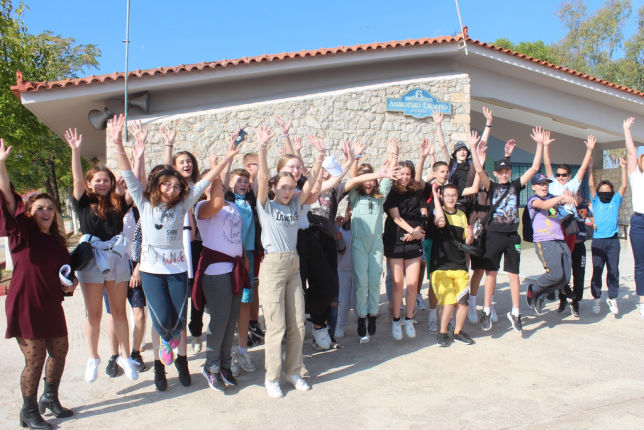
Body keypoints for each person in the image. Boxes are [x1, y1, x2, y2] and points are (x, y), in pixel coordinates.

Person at [109, 115, 235, 386]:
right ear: (158, 185)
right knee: (163, 319)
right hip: (152, 273)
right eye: (167, 184)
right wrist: (118, 143)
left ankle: (175, 347)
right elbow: (129, 174)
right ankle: (165, 343)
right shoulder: (144, 204)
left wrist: (227, 158)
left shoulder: (183, 205)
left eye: (177, 186)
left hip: (177, 270)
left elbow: (206, 181)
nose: (172, 188)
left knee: (179, 319)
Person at [1, 137, 76, 429]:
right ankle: (29, 410)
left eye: (50, 207)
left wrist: (71, 284)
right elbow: (8, 198)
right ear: (30, 213)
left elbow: (66, 274)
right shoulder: (21, 235)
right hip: (25, 304)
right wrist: (1, 165)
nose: (46, 211)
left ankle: (50, 397)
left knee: (59, 351)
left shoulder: (57, 243)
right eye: (40, 207)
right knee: (34, 359)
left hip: (50, 304)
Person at [65, 128, 139, 383]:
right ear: (89, 184)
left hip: (116, 257)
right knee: (93, 314)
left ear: (111, 182)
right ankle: (93, 357)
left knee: (119, 311)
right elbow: (76, 180)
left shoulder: (119, 202)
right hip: (91, 259)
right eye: (97, 180)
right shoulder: (83, 203)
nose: (102, 183)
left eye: (106, 179)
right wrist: (75, 151)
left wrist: (134, 155)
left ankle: (126, 357)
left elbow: (134, 184)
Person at [254, 124, 323, 398]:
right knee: (276, 326)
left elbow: (310, 182)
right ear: (274, 187)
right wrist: (262, 148)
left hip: (293, 263)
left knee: (297, 324)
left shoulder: (295, 203)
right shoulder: (265, 205)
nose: (287, 191)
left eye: (291, 188)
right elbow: (261, 178)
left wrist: (319, 157)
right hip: (272, 265)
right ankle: (271, 378)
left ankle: (293, 371)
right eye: (283, 187)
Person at [468, 127, 544, 332]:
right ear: (495, 173)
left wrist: (539, 144)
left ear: (510, 173)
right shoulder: (491, 186)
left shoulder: (516, 186)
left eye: (506, 172)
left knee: (513, 275)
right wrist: (473, 148)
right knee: (491, 274)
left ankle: (516, 312)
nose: (503, 175)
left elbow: (534, 168)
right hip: (493, 235)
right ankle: (486, 310)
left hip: (512, 236)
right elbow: (479, 170)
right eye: (500, 172)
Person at [194, 174, 247, 392]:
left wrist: (244, 260)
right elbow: (215, 202)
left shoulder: (232, 206)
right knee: (219, 320)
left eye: (220, 184)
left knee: (231, 319)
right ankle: (211, 366)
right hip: (216, 272)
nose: (218, 187)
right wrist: (220, 163)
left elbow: (237, 236)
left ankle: (225, 364)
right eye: (213, 184)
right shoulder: (202, 207)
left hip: (235, 269)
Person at [344, 142, 398, 343]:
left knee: (374, 282)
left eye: (371, 179)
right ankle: (361, 317)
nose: (368, 183)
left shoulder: (379, 196)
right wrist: (356, 158)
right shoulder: (355, 196)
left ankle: (372, 315)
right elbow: (352, 179)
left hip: (375, 243)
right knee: (361, 283)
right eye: (364, 179)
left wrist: (394, 156)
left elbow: (388, 178)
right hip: (359, 243)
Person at [161, 125, 205, 354]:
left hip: (198, 244)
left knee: (197, 289)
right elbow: (164, 170)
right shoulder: (172, 189)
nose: (186, 164)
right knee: (180, 292)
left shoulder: (199, 187)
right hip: (177, 245)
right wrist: (168, 144)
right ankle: (176, 334)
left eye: (189, 161)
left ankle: (196, 330)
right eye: (181, 162)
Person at [383, 148, 426, 340]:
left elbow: (423, 214)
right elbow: (396, 218)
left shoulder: (417, 191)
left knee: (413, 283)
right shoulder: (391, 192)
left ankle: (408, 319)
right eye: (401, 174)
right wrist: (412, 231)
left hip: (414, 240)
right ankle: (396, 320)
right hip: (395, 240)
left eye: (408, 174)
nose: (405, 177)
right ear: (396, 174)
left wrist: (418, 231)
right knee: (397, 284)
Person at [428, 183, 475, 347]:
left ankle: (458, 332)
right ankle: (442, 333)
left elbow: (466, 242)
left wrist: (470, 236)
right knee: (448, 301)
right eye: (447, 195)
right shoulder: (437, 212)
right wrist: (435, 197)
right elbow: (440, 222)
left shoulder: (462, 215)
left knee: (463, 302)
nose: (451, 198)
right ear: (442, 196)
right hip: (440, 266)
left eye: (454, 195)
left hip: (460, 265)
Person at [222, 164, 258, 374]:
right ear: (230, 183)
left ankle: (242, 349)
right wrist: (227, 160)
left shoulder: (250, 201)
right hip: (229, 255)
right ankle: (226, 354)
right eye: (238, 181)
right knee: (227, 305)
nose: (242, 184)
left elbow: (261, 182)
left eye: (246, 181)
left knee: (244, 302)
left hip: (248, 255)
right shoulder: (226, 200)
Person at [525, 174, 576, 315]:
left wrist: (569, 196)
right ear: (534, 186)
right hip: (545, 240)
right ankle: (534, 289)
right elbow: (544, 205)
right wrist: (561, 197)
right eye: (541, 184)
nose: (544, 186)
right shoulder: (533, 200)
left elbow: (564, 201)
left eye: (546, 184)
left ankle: (542, 293)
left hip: (560, 240)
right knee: (555, 274)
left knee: (565, 278)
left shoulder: (552, 198)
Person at [589, 154, 627, 315]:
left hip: (613, 241)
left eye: (607, 189)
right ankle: (597, 297)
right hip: (598, 241)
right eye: (602, 189)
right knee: (597, 270)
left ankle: (612, 297)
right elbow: (591, 184)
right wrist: (590, 167)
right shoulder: (596, 200)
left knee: (613, 270)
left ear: (611, 191)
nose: (604, 191)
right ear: (598, 192)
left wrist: (624, 167)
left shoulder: (615, 201)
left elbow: (624, 185)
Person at [543, 132, 595, 252]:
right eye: (558, 175)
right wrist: (545, 146)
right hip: (554, 219)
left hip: (570, 221)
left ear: (569, 176)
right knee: (556, 253)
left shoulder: (572, 184)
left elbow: (583, 168)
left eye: (564, 175)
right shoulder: (552, 183)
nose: (560, 177)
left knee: (568, 252)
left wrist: (589, 150)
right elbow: (547, 164)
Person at [623, 117, 644, 319]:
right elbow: (631, 152)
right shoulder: (636, 176)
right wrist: (627, 130)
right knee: (640, 264)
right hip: (639, 222)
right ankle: (642, 302)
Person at [562, 202, 593, 317]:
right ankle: (562, 299)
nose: (577, 197)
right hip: (566, 245)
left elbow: (592, 216)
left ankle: (576, 301)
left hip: (579, 246)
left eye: (579, 195)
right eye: (576, 194)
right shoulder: (564, 207)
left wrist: (595, 223)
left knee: (579, 274)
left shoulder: (584, 208)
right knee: (564, 274)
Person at [334, 209, 355, 339]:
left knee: (358, 300)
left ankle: (363, 326)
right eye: (352, 208)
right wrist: (336, 228)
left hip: (359, 270)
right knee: (343, 301)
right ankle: (340, 325)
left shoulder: (364, 229)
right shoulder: (341, 228)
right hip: (342, 269)